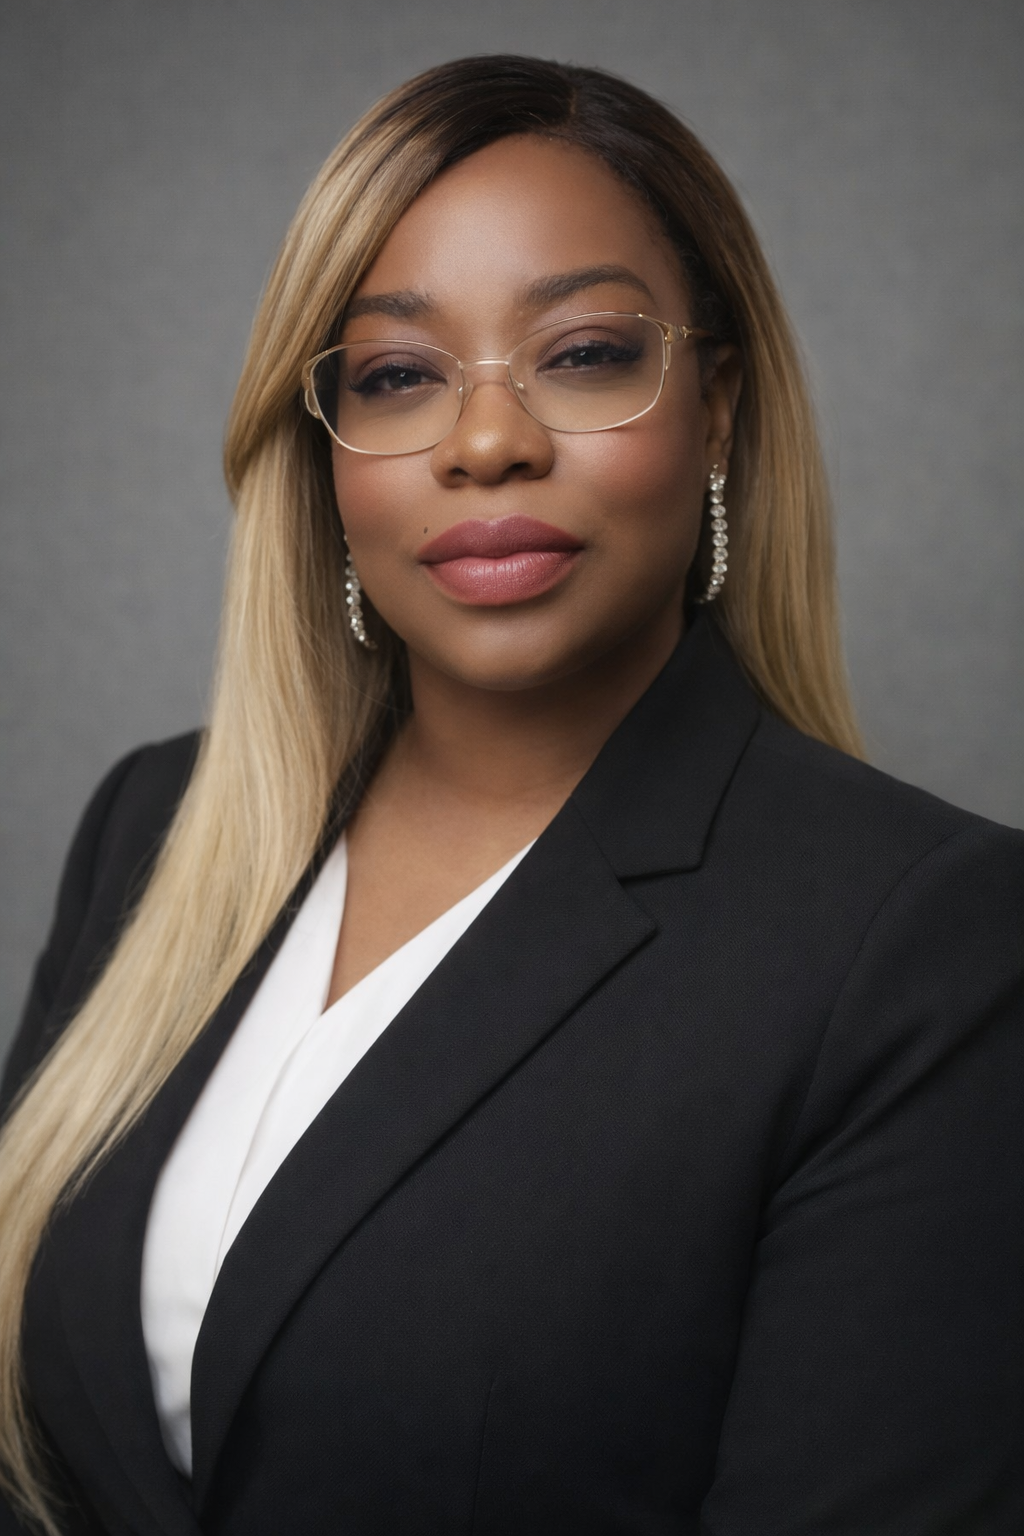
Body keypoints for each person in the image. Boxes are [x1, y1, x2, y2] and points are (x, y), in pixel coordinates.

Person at [0, 53, 1021, 1536]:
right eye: (399, 375)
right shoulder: (154, 829)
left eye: (587, 352)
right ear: (326, 447)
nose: (488, 443)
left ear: (718, 406)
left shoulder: (921, 948)